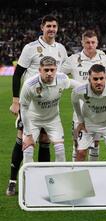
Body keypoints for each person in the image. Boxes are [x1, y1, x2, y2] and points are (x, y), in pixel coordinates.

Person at [6, 15, 67, 196]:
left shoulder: (61, 49)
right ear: (42, 27)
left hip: (48, 106)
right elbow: (17, 74)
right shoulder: (30, 48)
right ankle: (12, 181)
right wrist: (15, 100)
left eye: (54, 26)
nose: (52, 29)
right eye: (48, 26)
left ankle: (43, 182)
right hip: (30, 103)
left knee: (45, 141)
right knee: (23, 140)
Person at [61, 30, 106, 161]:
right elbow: (60, 76)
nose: (90, 45)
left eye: (93, 42)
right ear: (82, 42)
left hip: (99, 108)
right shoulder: (73, 59)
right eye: (87, 42)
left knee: (95, 143)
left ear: (97, 42)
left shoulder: (103, 58)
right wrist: (74, 84)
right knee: (77, 143)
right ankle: (75, 173)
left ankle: (93, 173)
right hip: (80, 108)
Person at [20, 56, 77, 164]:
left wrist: (88, 88)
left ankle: (59, 178)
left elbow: (72, 83)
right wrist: (27, 134)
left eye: (52, 70)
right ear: (40, 70)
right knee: (27, 150)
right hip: (33, 120)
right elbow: (23, 108)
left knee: (60, 151)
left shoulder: (62, 78)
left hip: (53, 119)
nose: (49, 73)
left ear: (56, 69)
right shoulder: (29, 85)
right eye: (46, 70)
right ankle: (29, 180)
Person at [71, 64, 106, 161]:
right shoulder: (80, 90)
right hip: (88, 124)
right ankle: (81, 175)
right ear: (89, 79)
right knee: (81, 152)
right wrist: (81, 121)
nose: (99, 82)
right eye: (95, 79)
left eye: (101, 78)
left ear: (105, 78)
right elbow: (74, 101)